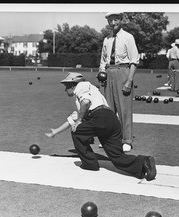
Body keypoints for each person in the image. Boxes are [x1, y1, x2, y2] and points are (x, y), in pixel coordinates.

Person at [45, 72, 157, 181]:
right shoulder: (88, 96)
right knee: (117, 157)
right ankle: (144, 163)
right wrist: (55, 132)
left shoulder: (81, 85)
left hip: (99, 118)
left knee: (77, 132)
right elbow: (71, 120)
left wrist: (79, 121)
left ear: (72, 84)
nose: (65, 90)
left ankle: (90, 164)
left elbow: (85, 102)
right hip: (111, 120)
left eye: (66, 86)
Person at [99, 12, 140, 152]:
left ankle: (126, 140)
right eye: (110, 20)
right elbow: (103, 60)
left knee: (124, 109)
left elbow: (134, 61)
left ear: (121, 20)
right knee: (108, 110)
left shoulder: (128, 37)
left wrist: (129, 81)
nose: (113, 23)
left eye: (116, 19)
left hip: (123, 72)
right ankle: (110, 138)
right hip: (108, 73)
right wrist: (101, 75)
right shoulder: (107, 39)